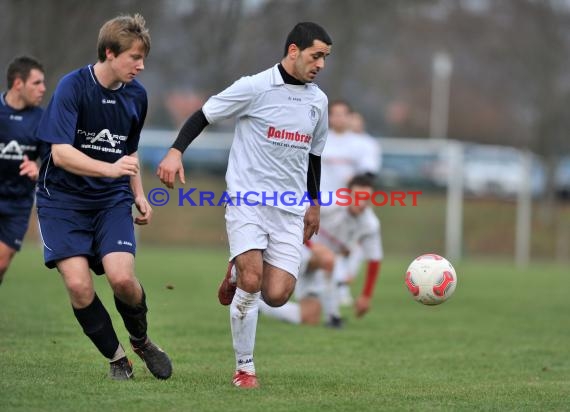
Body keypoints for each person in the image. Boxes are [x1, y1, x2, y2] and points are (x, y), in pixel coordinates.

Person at [157, 22, 333, 388]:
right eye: (316, 56)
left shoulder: (318, 101)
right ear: (294, 51)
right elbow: (204, 113)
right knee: (253, 284)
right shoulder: (254, 86)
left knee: (279, 294)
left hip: (288, 208)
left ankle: (236, 271)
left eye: (325, 58)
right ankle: (245, 368)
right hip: (247, 200)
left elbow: (314, 156)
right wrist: (175, 151)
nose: (320, 64)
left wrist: (313, 205)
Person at [35, 14, 172, 381]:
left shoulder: (137, 97)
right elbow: (61, 154)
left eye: (143, 58)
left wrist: (139, 194)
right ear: (110, 53)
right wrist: (110, 169)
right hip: (61, 201)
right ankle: (117, 359)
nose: (141, 66)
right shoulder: (72, 87)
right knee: (79, 286)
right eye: (134, 58)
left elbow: (130, 152)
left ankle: (141, 341)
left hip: (110, 201)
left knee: (123, 280)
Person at [259, 174, 383, 327]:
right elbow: (292, 217)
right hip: (297, 248)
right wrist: (311, 246)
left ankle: (257, 304)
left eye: (366, 198)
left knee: (309, 318)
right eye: (358, 197)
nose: (362, 203)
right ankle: (333, 317)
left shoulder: (370, 224)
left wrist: (366, 296)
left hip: (321, 265)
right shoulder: (328, 201)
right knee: (328, 260)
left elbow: (374, 259)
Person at [0, 56, 46, 286]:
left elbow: (51, 159)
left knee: (1, 264)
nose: (43, 89)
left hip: (18, 203)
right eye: (36, 83)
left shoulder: (42, 118)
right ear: (18, 83)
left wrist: (38, 168)